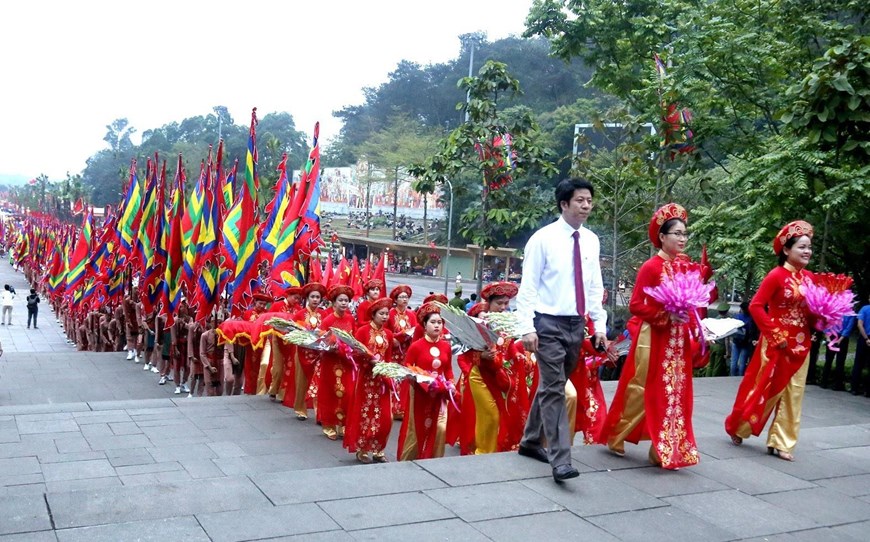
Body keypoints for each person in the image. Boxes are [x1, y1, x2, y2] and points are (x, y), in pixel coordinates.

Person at [600, 203, 707, 470]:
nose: (682, 239)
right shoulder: (651, 266)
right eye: (677, 233)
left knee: (675, 392)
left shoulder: (685, 266)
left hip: (678, 338)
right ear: (662, 236)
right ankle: (618, 433)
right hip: (654, 336)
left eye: (685, 234)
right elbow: (636, 305)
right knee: (645, 388)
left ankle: (664, 449)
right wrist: (665, 316)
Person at [516, 178, 607, 483]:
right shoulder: (542, 239)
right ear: (564, 204)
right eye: (580, 200)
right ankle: (561, 460)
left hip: (576, 325)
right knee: (555, 389)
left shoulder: (591, 241)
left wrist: (600, 324)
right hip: (548, 323)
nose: (586, 206)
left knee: (552, 385)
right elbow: (527, 287)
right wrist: (527, 328)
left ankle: (530, 440)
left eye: (589, 201)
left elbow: (594, 285)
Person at [725, 221, 815, 461]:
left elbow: (813, 311)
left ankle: (782, 441)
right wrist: (774, 334)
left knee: (794, 393)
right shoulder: (776, 276)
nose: (807, 252)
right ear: (787, 250)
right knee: (763, 389)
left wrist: (824, 319)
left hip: (801, 343)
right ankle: (738, 426)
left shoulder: (810, 279)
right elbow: (756, 306)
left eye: (809, 247)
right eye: (802, 247)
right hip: (776, 343)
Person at [397, 303, 455, 460]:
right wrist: (422, 382)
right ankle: (408, 460)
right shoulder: (416, 346)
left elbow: (448, 368)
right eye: (433, 322)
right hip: (420, 393)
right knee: (418, 428)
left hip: (441, 394)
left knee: (440, 428)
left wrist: (451, 383)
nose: (437, 326)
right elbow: (407, 369)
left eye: (439, 322)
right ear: (424, 325)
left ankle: (435, 460)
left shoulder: (445, 346)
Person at [344, 297, 394, 463]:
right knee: (366, 414)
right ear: (373, 314)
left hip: (382, 380)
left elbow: (388, 356)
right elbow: (355, 355)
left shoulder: (388, 334)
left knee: (385, 416)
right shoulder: (363, 332)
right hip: (366, 380)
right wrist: (369, 361)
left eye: (387, 313)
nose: (385, 316)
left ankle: (379, 449)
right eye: (381, 313)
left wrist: (389, 371)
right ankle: (363, 449)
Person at [318, 285, 356, 440]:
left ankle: (344, 424)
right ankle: (329, 424)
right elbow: (322, 340)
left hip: (346, 362)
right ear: (334, 302)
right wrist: (331, 346)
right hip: (331, 362)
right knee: (331, 393)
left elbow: (354, 339)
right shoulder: (328, 320)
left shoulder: (350, 319)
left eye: (346, 301)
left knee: (347, 393)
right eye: (340, 300)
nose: (343, 303)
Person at [820, 313, 855, 391]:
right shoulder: (851, 313)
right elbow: (848, 328)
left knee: (828, 360)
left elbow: (826, 323)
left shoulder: (834, 309)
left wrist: (828, 337)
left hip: (832, 336)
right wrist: (840, 340)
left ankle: (824, 382)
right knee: (840, 362)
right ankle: (837, 385)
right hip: (842, 339)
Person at [849, 296, 870, 396]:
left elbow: (859, 324)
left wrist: (866, 338)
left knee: (858, 363)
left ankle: (854, 388)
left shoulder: (864, 309)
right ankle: (867, 391)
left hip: (864, 338)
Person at [730, 301, 757, 377]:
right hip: (746, 343)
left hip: (736, 341)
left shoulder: (737, 317)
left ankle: (732, 376)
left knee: (733, 361)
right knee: (742, 362)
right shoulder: (752, 319)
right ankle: (740, 377)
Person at [706, 302, 732, 377]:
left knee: (711, 364)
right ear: (727, 312)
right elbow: (727, 338)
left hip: (713, 344)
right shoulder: (726, 322)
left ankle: (707, 377)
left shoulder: (715, 320)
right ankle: (713, 380)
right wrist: (728, 351)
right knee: (717, 365)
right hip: (720, 346)